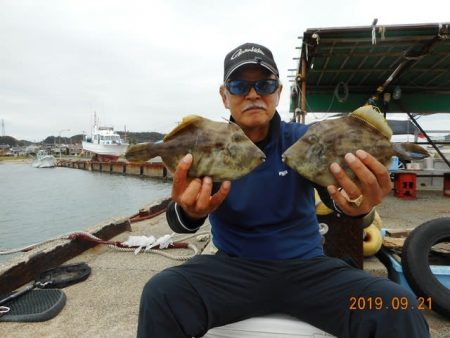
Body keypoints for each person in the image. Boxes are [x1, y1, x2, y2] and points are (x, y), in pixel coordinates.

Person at [137, 42, 429, 338]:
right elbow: (177, 215)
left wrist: (360, 206)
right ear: (225, 96)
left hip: (309, 271)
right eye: (239, 85)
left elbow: (336, 197)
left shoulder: (306, 140)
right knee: (161, 294)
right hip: (232, 271)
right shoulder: (209, 145)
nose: (253, 94)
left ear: (277, 92)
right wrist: (189, 210)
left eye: (265, 84)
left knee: (397, 305)